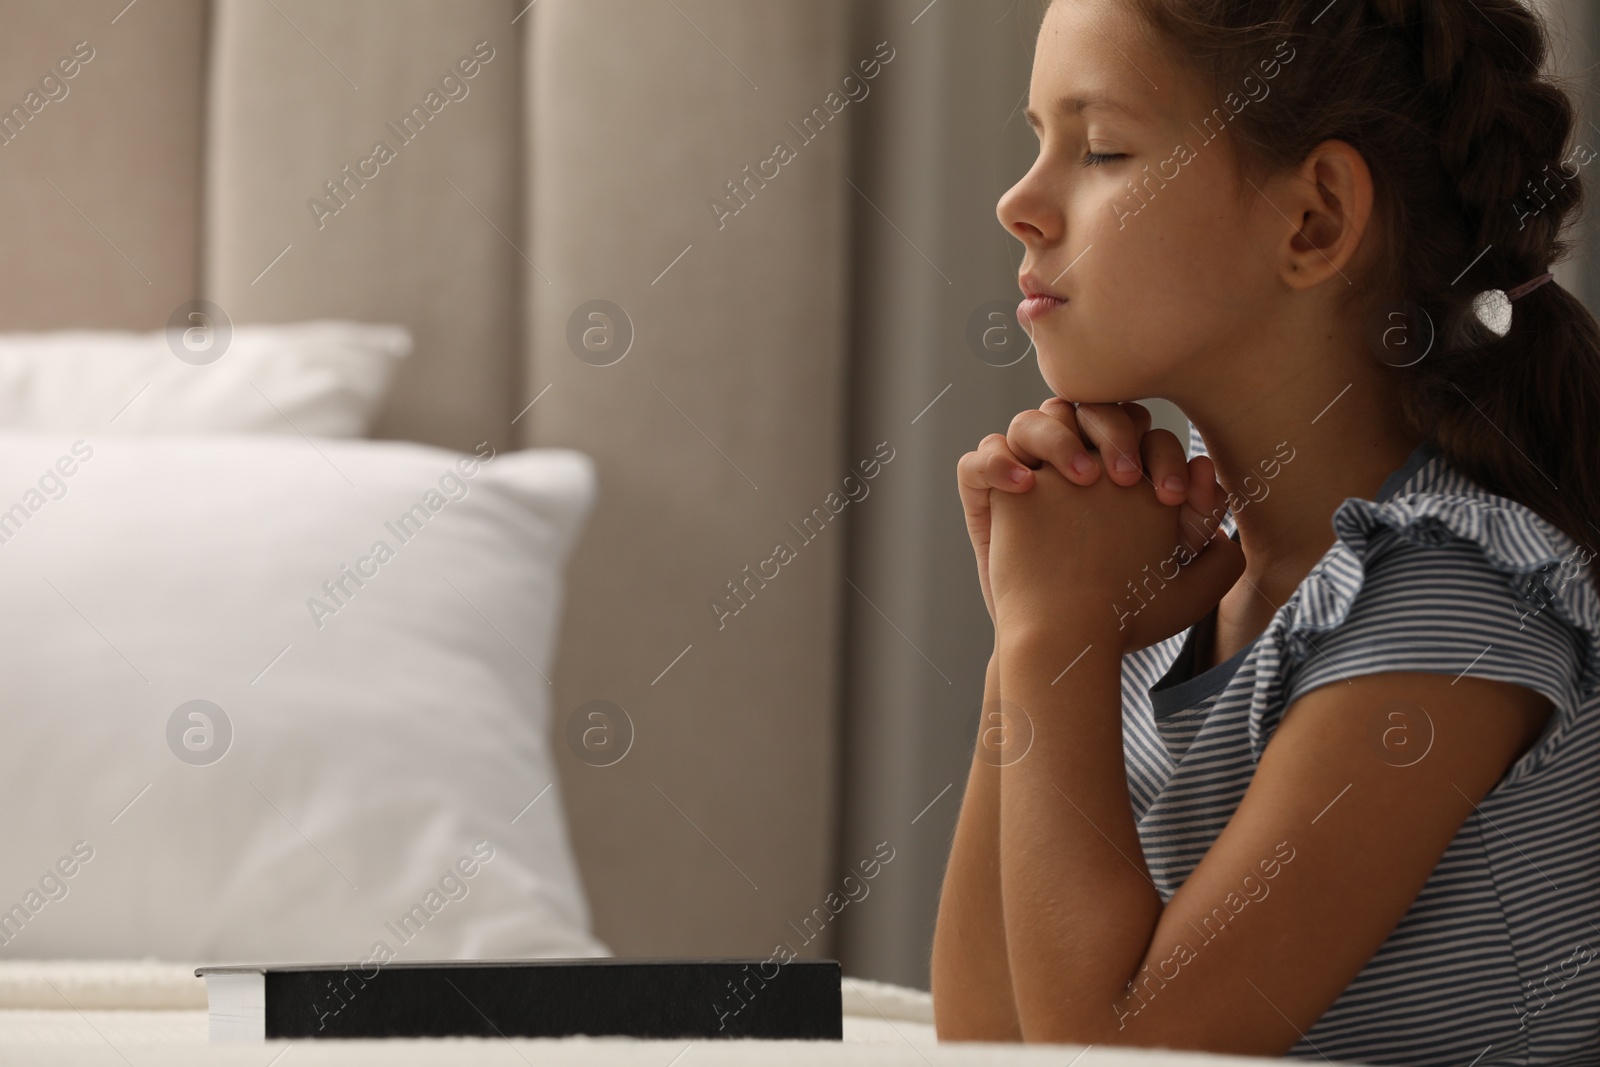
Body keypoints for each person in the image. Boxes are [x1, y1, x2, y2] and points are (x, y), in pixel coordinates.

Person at [932, 0, 1600, 1062]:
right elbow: (983, 1036)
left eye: (1100, 148)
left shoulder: (1450, 603)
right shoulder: (1170, 585)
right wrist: (1039, 629)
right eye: (1035, 140)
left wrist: (1051, 632)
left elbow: (1122, 1055)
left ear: (1312, 221)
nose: (1018, 203)